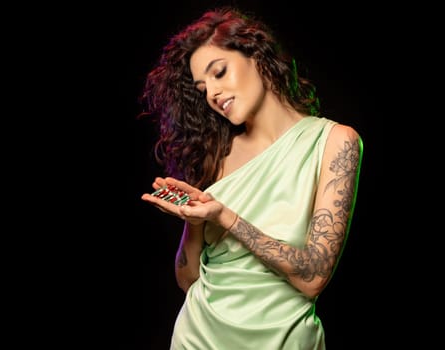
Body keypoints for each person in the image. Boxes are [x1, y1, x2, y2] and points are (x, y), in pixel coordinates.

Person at [140, 6, 363, 349]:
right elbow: (188, 280)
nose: (212, 94)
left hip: (285, 338)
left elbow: (313, 278)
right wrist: (194, 217)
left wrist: (223, 215)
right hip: (199, 336)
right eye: (202, 88)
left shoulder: (335, 142)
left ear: (256, 57)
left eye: (220, 72)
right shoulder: (217, 154)